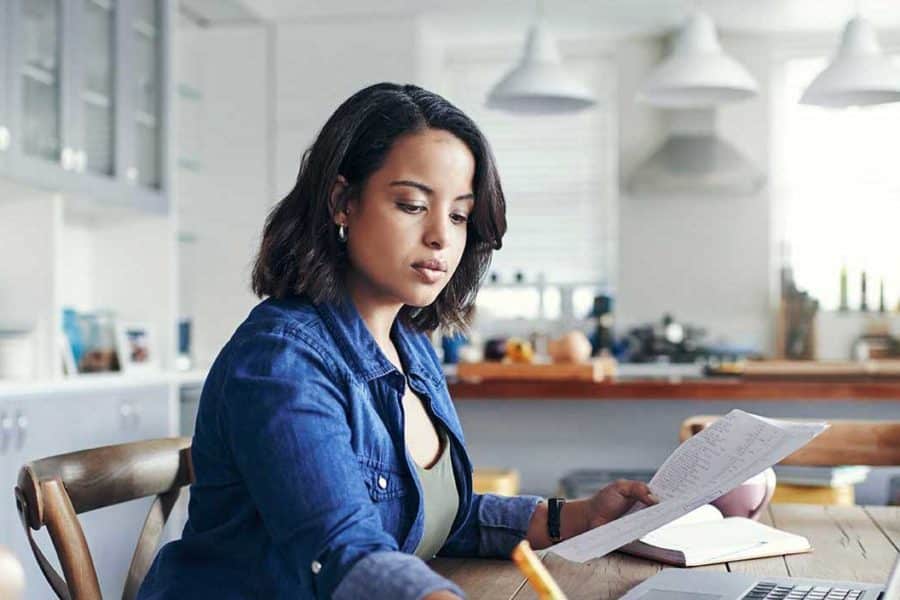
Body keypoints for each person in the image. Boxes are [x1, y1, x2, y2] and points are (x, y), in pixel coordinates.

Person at [137, 82, 657, 600]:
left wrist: (575, 517)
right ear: (343, 201)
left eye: (458, 215)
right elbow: (345, 551)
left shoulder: (411, 347)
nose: (441, 236)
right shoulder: (281, 360)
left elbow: (432, 518)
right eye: (411, 205)